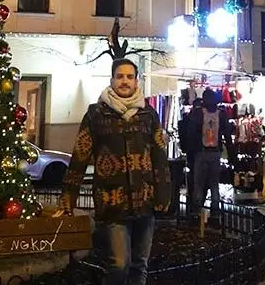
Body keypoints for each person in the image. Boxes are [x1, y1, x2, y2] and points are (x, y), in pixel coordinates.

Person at [58, 59, 170, 285]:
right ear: (112, 80)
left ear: (136, 81)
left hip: (145, 201)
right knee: (119, 265)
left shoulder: (148, 114)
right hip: (112, 204)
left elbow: (159, 156)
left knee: (140, 265)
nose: (125, 81)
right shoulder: (96, 114)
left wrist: (164, 193)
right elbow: (80, 156)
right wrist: (68, 197)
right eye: (120, 76)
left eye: (129, 77)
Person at [186, 89, 232, 219]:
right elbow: (228, 135)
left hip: (201, 152)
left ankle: (196, 213)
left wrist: (190, 153)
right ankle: (215, 214)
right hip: (215, 153)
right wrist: (231, 156)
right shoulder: (221, 114)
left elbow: (190, 133)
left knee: (199, 184)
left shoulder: (197, 114)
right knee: (214, 184)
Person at [177, 97, 204, 210]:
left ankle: (192, 203)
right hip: (201, 150)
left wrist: (184, 148)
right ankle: (198, 203)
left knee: (192, 176)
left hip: (190, 151)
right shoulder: (204, 117)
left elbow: (183, 133)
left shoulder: (187, 117)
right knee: (201, 178)